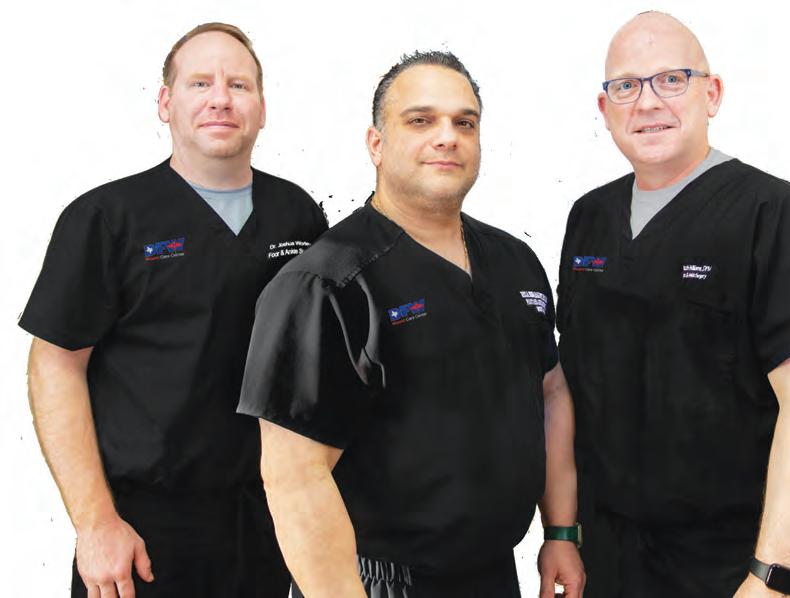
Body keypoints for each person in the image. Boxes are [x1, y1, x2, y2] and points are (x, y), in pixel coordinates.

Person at [237, 51, 586, 598]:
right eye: (421, 120)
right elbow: (294, 478)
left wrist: (560, 531)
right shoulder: (325, 284)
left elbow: (550, 390)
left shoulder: (514, 261)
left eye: (464, 123)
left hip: (493, 575)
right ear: (376, 144)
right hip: (377, 581)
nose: (447, 137)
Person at [20, 22, 327, 598]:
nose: (220, 99)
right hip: (140, 530)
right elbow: (55, 366)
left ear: (262, 108)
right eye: (200, 83)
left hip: (265, 522)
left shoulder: (298, 215)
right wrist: (95, 523)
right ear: (165, 103)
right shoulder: (106, 218)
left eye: (239, 85)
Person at [557, 11, 790, 597]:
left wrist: (773, 575)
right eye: (626, 86)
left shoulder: (770, 213)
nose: (648, 102)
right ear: (604, 108)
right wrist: (562, 532)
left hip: (725, 567)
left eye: (671, 79)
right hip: (604, 559)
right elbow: (567, 384)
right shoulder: (589, 217)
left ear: (711, 94)